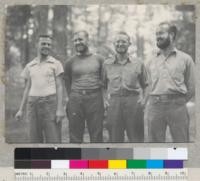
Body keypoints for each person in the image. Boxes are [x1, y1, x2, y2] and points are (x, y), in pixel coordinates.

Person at [146, 22, 195, 142]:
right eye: (156, 34)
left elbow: (192, 86)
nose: (158, 36)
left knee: (181, 143)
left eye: (161, 33)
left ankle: (180, 162)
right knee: (155, 146)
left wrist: (178, 101)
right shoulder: (150, 60)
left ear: (172, 35)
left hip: (177, 107)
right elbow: (147, 86)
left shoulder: (186, 59)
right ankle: (157, 162)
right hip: (155, 107)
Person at [15, 35, 65, 143]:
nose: (46, 46)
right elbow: (27, 88)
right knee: (34, 139)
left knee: (53, 139)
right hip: (32, 105)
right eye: (43, 43)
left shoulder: (56, 63)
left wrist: (60, 109)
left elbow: (60, 86)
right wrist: (20, 110)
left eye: (49, 44)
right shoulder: (30, 65)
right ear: (36, 45)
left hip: (50, 104)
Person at [103, 31, 148, 142]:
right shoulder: (106, 64)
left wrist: (144, 101)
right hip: (114, 103)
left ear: (129, 44)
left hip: (133, 102)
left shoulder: (138, 63)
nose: (120, 44)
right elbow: (102, 85)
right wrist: (104, 100)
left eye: (123, 41)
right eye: (117, 41)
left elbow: (146, 84)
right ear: (114, 44)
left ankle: (137, 159)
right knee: (114, 139)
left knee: (136, 138)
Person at [64, 30, 104, 143]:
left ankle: (97, 160)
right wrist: (70, 97)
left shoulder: (99, 59)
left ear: (87, 40)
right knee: (75, 134)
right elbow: (67, 81)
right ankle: (75, 160)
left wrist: (104, 99)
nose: (78, 42)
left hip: (95, 98)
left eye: (80, 39)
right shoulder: (70, 62)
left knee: (96, 134)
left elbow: (104, 80)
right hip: (76, 98)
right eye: (75, 40)